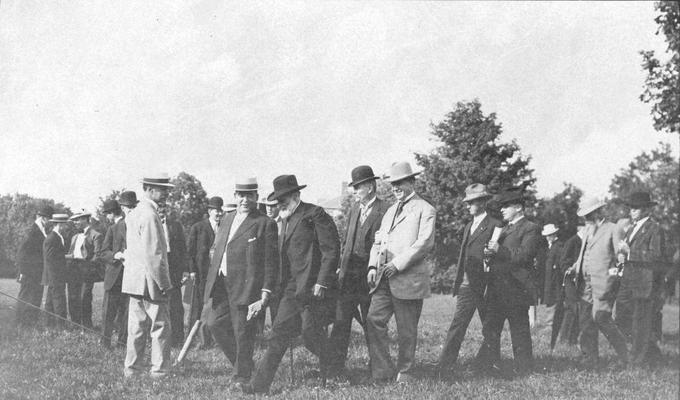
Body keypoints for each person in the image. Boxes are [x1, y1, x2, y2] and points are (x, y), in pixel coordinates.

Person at [242, 175, 340, 394]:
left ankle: (333, 370)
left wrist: (322, 282)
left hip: (314, 289)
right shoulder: (285, 219)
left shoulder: (315, 215)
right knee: (278, 334)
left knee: (311, 335)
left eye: (284, 198)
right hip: (291, 290)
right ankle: (259, 386)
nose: (280, 203)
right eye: (278, 199)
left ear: (297, 195)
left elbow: (331, 250)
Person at [365, 161, 436, 384]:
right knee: (373, 320)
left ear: (411, 182)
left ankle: (405, 371)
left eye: (399, 183)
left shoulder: (425, 210)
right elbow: (378, 241)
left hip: (408, 279)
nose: (395, 187)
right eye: (392, 184)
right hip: (384, 279)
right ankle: (383, 371)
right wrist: (373, 266)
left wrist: (398, 264)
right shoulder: (389, 211)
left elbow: (424, 243)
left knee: (407, 330)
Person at [203, 178, 278, 384]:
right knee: (214, 324)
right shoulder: (227, 219)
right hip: (221, 284)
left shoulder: (265, 223)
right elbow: (217, 248)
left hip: (247, 287)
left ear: (255, 197)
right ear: (235, 196)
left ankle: (241, 377)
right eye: (241, 195)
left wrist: (265, 292)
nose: (244, 200)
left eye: (249, 195)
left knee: (242, 333)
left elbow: (271, 262)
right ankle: (244, 364)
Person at [328, 165, 390, 376]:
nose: (354, 190)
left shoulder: (386, 210)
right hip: (348, 279)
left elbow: (384, 246)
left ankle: (378, 368)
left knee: (371, 324)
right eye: (354, 186)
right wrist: (340, 268)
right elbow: (347, 241)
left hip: (370, 279)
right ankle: (335, 368)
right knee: (340, 321)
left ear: (371, 186)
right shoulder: (355, 209)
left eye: (358, 186)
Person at [478, 188, 541, 376]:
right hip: (497, 287)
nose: (502, 210)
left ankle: (524, 369)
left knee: (519, 330)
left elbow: (524, 256)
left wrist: (499, 250)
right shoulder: (504, 229)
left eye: (506, 206)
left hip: (516, 288)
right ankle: (490, 366)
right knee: (490, 328)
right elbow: (500, 254)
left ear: (519, 207)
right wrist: (489, 255)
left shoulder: (531, 228)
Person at [438, 183, 501, 373]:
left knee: (489, 327)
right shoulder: (468, 226)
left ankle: (490, 364)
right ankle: (444, 365)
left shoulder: (495, 225)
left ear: (482, 202)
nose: (467, 206)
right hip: (467, 284)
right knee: (458, 325)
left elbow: (496, 255)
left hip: (486, 285)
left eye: (471, 202)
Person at [122, 173, 174, 378]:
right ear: (151, 189)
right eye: (164, 189)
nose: (167, 193)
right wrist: (165, 283)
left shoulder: (134, 213)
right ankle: (159, 371)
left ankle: (131, 369)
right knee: (159, 327)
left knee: (136, 328)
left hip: (134, 281)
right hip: (150, 282)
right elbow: (154, 254)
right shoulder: (151, 215)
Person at [570, 197, 628, 367]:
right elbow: (584, 253)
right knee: (586, 320)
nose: (585, 218)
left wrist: (612, 277)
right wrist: (574, 267)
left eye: (588, 215)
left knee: (601, 318)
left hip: (603, 283)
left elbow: (621, 258)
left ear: (597, 212)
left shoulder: (613, 229)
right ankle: (589, 357)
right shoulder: (588, 230)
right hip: (585, 282)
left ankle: (625, 355)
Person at [616, 191, 667, 366]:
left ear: (646, 209)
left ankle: (637, 361)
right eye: (630, 207)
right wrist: (624, 257)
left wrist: (630, 253)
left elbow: (656, 255)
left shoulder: (655, 229)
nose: (632, 211)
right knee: (621, 317)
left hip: (645, 282)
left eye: (636, 208)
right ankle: (650, 350)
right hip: (628, 280)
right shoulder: (631, 228)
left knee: (640, 322)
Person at [186, 196, 224, 349]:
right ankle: (194, 338)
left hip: (219, 275)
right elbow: (190, 252)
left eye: (221, 210)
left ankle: (213, 339)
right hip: (201, 274)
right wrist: (192, 271)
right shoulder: (198, 227)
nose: (219, 213)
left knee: (215, 307)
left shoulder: (225, 228)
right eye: (216, 210)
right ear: (209, 211)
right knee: (198, 307)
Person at [15, 205, 53, 330]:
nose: (50, 222)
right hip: (29, 272)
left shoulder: (41, 230)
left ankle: (30, 323)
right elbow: (22, 252)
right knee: (26, 296)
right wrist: (22, 271)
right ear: (43, 218)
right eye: (49, 219)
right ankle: (21, 323)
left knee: (35, 296)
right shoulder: (32, 230)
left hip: (37, 272)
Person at [100, 198, 130, 348]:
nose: (106, 217)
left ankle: (122, 343)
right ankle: (105, 342)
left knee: (126, 312)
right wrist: (116, 255)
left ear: (112, 213)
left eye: (107, 214)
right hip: (114, 276)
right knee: (109, 312)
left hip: (129, 275)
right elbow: (103, 252)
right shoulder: (112, 229)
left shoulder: (130, 225)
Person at [66, 211, 103, 329]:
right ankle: (75, 324)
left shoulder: (96, 235)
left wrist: (88, 268)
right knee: (72, 297)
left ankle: (87, 325)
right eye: (74, 220)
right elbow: (71, 254)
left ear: (86, 219)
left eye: (77, 220)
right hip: (73, 270)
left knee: (84, 298)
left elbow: (98, 255)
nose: (75, 223)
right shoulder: (75, 237)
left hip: (87, 271)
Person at [159, 205, 188, 348]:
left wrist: (185, 270)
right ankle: (158, 338)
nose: (160, 212)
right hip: (157, 265)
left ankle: (177, 338)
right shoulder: (149, 223)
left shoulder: (175, 225)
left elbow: (183, 248)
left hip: (174, 268)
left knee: (175, 305)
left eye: (162, 209)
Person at [556, 219, 585, 346]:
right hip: (571, 280)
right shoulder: (572, 241)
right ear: (579, 228)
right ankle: (565, 339)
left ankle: (572, 339)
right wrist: (569, 269)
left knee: (578, 309)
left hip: (582, 280)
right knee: (572, 308)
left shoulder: (588, 242)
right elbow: (563, 261)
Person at [42, 213, 70, 329]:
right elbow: (50, 259)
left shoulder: (57, 237)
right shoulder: (52, 238)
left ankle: (49, 325)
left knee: (50, 301)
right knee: (59, 301)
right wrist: (67, 257)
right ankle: (61, 327)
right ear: (60, 225)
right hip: (55, 276)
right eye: (65, 224)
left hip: (55, 276)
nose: (66, 227)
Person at [540, 224, 565, 346]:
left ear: (554, 235)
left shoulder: (558, 247)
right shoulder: (550, 247)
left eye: (549, 235)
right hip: (549, 278)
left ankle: (550, 324)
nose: (547, 237)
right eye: (546, 235)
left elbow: (560, 264)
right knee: (550, 300)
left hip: (555, 279)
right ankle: (549, 323)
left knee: (553, 300)